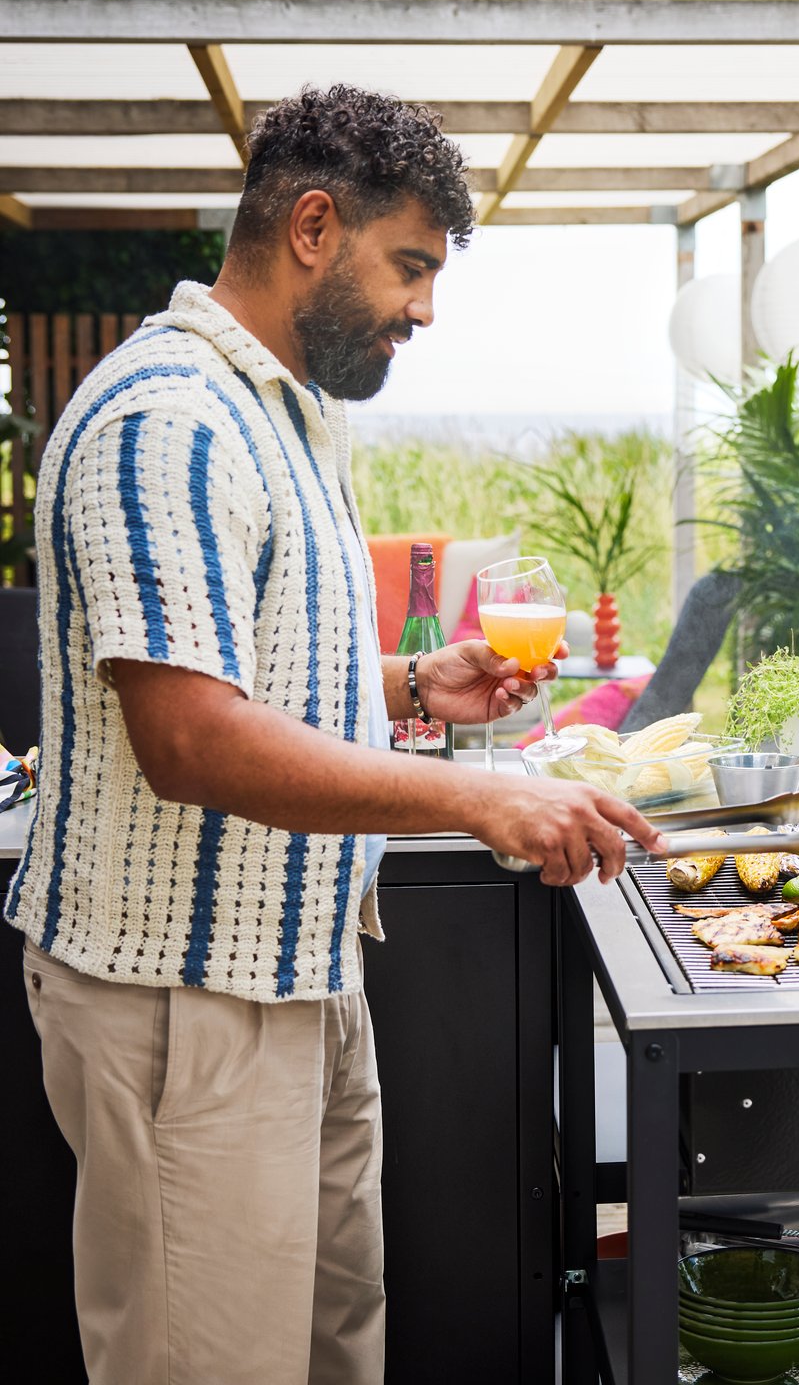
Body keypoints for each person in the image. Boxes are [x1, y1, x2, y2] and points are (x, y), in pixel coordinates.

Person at [5, 84, 663, 1385]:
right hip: (184, 1012)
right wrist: (483, 802)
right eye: (410, 264)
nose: (425, 307)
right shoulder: (168, 424)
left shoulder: (287, 412)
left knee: (328, 1356)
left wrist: (416, 687)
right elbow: (191, 739)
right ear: (313, 225)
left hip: (298, 980)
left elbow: (238, 663)